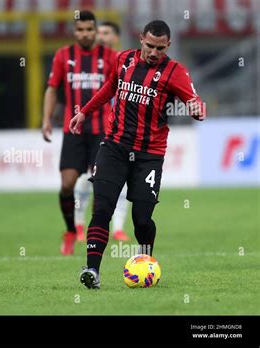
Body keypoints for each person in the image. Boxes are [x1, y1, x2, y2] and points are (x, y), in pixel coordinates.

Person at [70, 20, 206, 288]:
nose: (154, 53)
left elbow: (194, 101)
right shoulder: (123, 60)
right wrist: (84, 111)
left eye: (160, 48)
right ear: (141, 38)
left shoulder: (175, 72)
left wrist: (197, 109)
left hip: (149, 155)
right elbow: (110, 88)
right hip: (114, 148)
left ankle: (146, 261)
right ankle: (92, 271)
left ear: (168, 46)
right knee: (102, 208)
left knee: (141, 219)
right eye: (150, 46)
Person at [42, 10, 118, 255]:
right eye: (80, 30)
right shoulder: (63, 56)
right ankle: (70, 231)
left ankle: (96, 238)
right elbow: (52, 89)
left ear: (96, 31)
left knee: (100, 186)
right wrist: (45, 120)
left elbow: (121, 90)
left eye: (89, 29)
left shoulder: (110, 57)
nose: (85, 34)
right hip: (72, 130)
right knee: (67, 185)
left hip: (101, 131)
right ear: (74, 32)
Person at [74, 20, 131, 242]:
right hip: (92, 128)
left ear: (115, 37)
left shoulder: (127, 63)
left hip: (120, 131)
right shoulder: (86, 63)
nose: (101, 36)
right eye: (99, 33)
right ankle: (78, 225)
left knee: (121, 179)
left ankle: (118, 228)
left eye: (106, 33)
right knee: (87, 177)